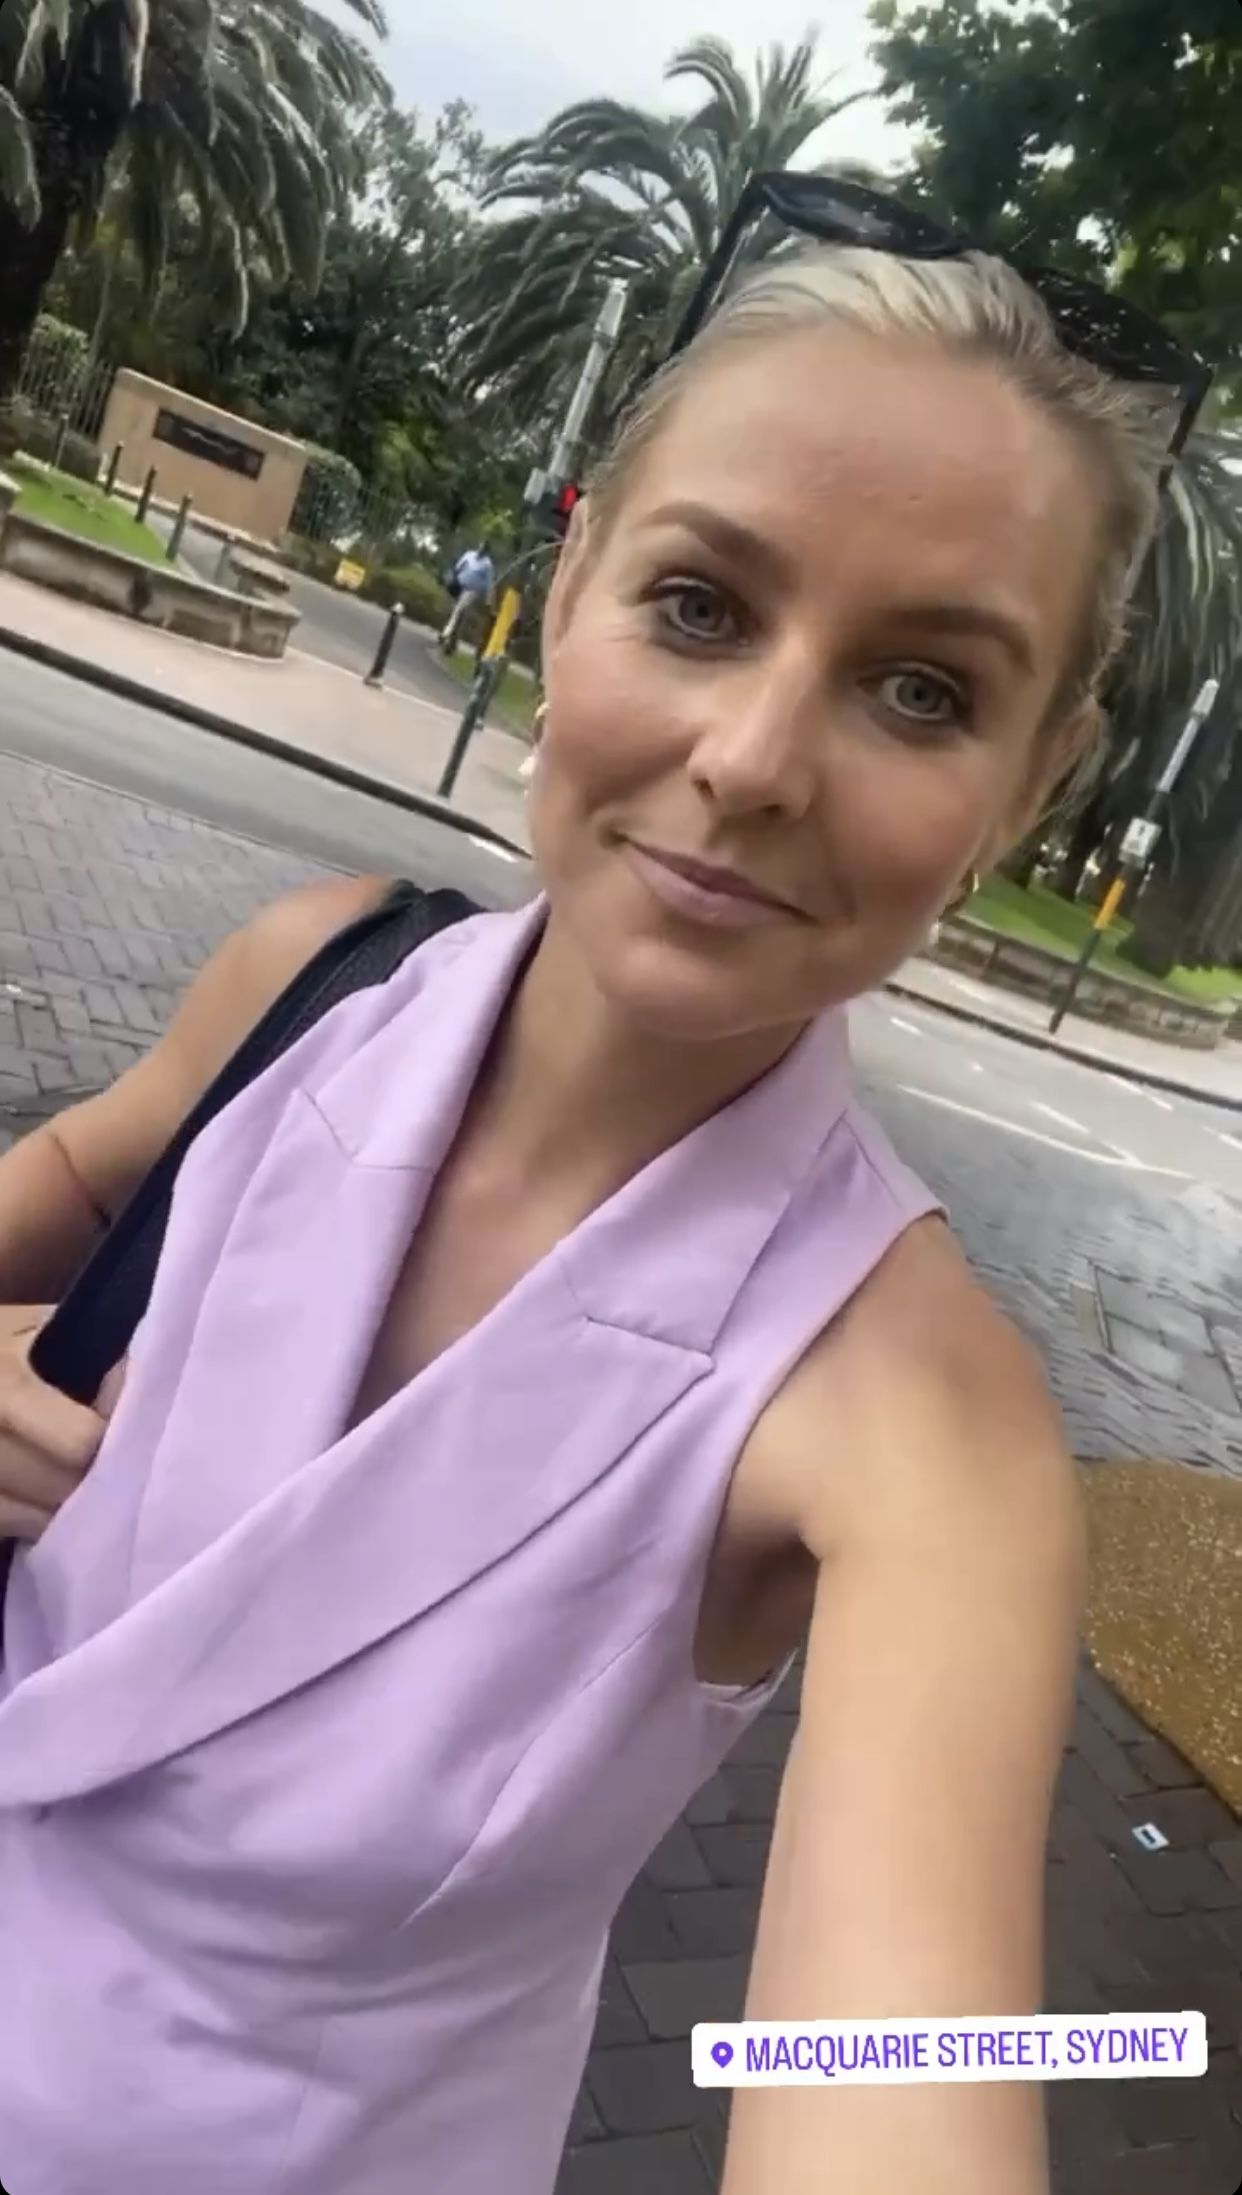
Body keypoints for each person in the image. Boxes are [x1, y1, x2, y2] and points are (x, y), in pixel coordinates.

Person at [0, 232, 1177, 2195]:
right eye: (700, 605)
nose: (752, 761)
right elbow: (62, 1187)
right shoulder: (317, 979)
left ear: (1031, 783)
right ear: (570, 585)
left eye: (920, 689)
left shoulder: (921, 1430)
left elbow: (899, 2068)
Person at [440, 538, 496, 653]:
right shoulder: (469, 555)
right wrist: (452, 578)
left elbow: (489, 584)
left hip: (471, 591)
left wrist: (489, 600)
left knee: (458, 610)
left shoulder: (487, 565)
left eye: (484, 550)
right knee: (456, 613)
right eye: (480, 547)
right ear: (479, 546)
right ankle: (452, 642)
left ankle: (446, 633)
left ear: (486, 552)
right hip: (458, 585)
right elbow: (458, 567)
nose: (481, 551)